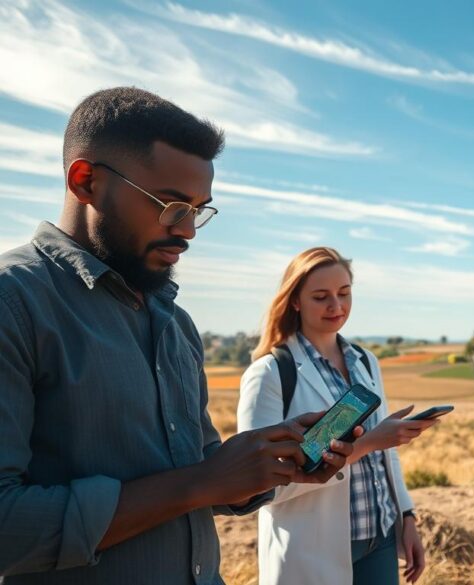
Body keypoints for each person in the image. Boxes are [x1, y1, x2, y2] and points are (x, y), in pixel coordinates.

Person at [0, 88, 356, 584]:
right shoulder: (13, 304)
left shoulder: (173, 321)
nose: (187, 231)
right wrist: (200, 482)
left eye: (198, 210)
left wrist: (263, 465)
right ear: (86, 182)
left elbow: (199, 470)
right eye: (169, 205)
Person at [238, 247, 436, 585]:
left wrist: (407, 516)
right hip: (312, 549)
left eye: (344, 293)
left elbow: (387, 456)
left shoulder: (366, 361)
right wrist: (370, 442)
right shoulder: (270, 373)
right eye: (321, 296)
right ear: (295, 301)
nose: (337, 306)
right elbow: (258, 485)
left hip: (381, 538)